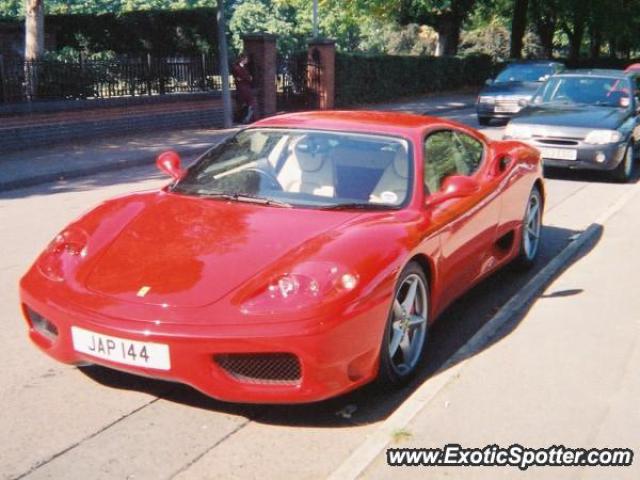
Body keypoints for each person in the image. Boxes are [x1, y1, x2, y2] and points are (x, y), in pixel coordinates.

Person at [231, 53, 256, 124]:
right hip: (242, 88)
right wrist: (247, 78)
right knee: (245, 103)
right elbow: (246, 77)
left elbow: (246, 77)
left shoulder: (244, 67)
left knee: (250, 103)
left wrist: (246, 78)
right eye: (246, 59)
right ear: (242, 59)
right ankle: (243, 119)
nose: (247, 60)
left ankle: (247, 119)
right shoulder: (237, 67)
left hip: (246, 87)